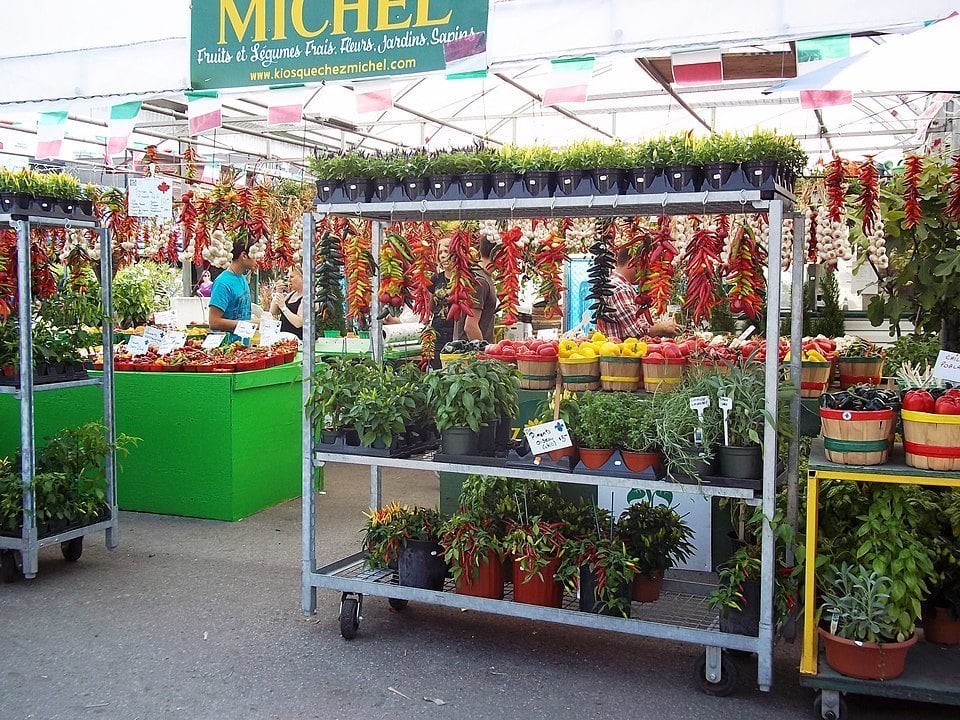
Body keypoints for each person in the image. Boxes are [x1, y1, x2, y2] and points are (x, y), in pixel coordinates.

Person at [596, 247, 679, 340]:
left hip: (620, 349)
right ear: (631, 263)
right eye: (642, 265)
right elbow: (635, 331)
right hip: (622, 351)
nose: (644, 271)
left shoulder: (614, 283)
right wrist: (663, 327)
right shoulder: (620, 288)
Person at [440, 232, 497, 343]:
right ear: (497, 254)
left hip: (465, 352)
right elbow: (470, 327)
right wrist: (481, 354)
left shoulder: (479, 276)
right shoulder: (480, 281)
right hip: (469, 355)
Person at [208, 239, 257, 343]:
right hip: (226, 349)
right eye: (255, 255)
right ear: (244, 256)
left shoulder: (242, 278)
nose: (258, 260)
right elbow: (214, 322)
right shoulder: (222, 283)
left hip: (243, 347)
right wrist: (250, 324)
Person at [269, 266, 304, 339]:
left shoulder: (307, 298)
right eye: (288, 278)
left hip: (299, 340)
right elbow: (273, 311)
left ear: (302, 277)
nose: (289, 280)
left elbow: (298, 323)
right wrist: (278, 293)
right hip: (284, 338)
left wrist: (283, 307)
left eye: (292, 277)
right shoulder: (291, 295)